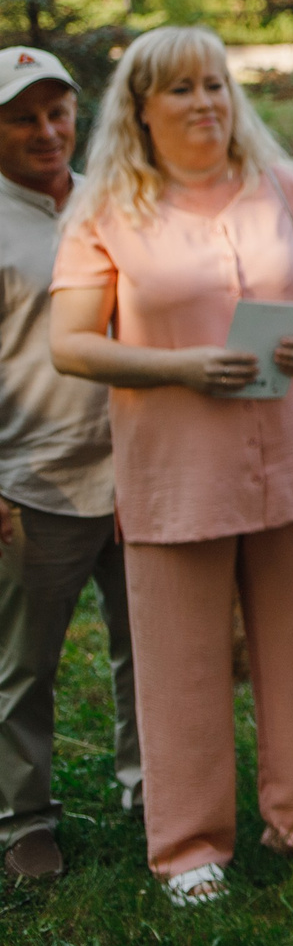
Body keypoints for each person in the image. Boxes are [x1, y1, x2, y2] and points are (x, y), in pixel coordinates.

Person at [49, 27, 293, 905]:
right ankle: (189, 846)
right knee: (179, 659)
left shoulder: (279, 188)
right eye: (181, 89)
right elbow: (69, 345)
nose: (206, 103)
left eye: (216, 85)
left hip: (287, 453)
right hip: (177, 467)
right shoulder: (107, 209)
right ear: (141, 111)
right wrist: (180, 368)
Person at [0, 49, 137, 882]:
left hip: (134, 471)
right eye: (23, 117)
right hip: (32, 480)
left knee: (147, 646)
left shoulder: (109, 201)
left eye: (58, 113)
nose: (47, 132)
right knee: (23, 664)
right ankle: (23, 820)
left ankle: (153, 789)